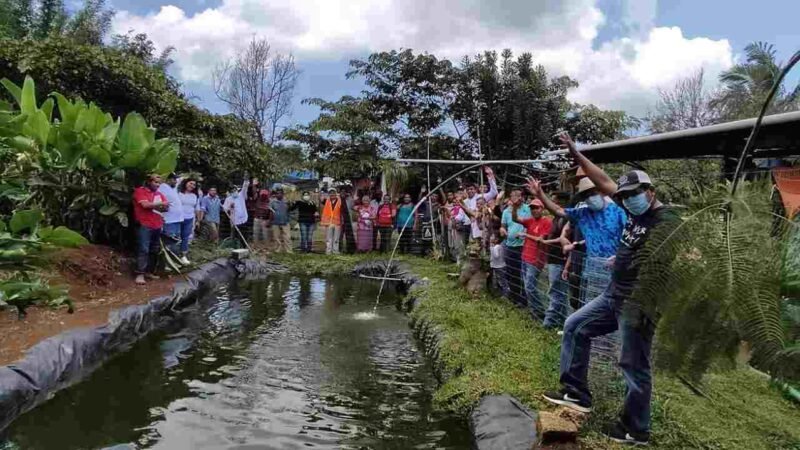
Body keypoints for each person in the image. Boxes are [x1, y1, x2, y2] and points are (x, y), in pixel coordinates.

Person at [540, 133, 678, 446]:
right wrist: (576, 153)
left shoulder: (666, 219)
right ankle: (575, 392)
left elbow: (668, 256)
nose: (628, 198)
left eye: (635, 194)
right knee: (575, 327)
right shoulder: (633, 211)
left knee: (633, 364)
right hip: (613, 295)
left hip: (638, 304)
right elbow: (602, 180)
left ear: (651, 192)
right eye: (625, 194)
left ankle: (635, 429)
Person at [532, 175, 628, 306]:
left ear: (602, 191)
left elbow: (629, 239)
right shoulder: (583, 214)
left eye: (592, 193)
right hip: (593, 271)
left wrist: (620, 257)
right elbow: (558, 210)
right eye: (586, 195)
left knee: (615, 309)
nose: (590, 198)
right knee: (593, 308)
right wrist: (540, 194)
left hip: (617, 272)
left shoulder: (618, 212)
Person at [512, 198, 552, 320]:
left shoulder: (547, 222)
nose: (534, 210)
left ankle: (539, 312)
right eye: (532, 208)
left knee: (530, 286)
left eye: (536, 207)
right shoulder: (530, 221)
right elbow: (515, 219)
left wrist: (525, 235)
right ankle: (534, 310)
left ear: (542, 209)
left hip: (536, 259)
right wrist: (514, 207)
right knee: (527, 286)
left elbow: (541, 239)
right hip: (525, 256)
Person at [540, 192, 572, 329]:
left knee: (556, 291)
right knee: (559, 292)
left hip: (561, 260)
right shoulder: (556, 218)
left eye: (554, 201)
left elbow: (563, 239)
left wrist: (546, 241)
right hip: (553, 258)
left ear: (561, 203)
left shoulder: (567, 219)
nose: (551, 205)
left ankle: (549, 322)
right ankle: (564, 322)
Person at [133, 174, 169, 285]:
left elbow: (166, 207)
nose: (158, 185)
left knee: (154, 249)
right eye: (156, 182)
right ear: (149, 182)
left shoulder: (159, 194)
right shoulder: (140, 191)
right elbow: (145, 205)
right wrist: (160, 204)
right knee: (144, 249)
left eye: (159, 183)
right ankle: (140, 274)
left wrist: (162, 206)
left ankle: (149, 272)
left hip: (157, 225)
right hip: (144, 224)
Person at [500, 189, 531, 307]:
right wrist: (502, 229)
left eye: (517, 195)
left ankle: (525, 299)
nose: (515, 197)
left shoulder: (527, 209)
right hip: (510, 245)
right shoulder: (506, 211)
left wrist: (524, 232)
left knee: (523, 273)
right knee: (511, 272)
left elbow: (529, 224)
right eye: (513, 195)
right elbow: (503, 226)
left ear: (522, 197)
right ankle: (515, 297)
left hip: (523, 245)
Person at [158, 173, 184, 259]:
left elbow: (182, 179)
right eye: (174, 179)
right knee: (170, 242)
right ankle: (169, 262)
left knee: (176, 241)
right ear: (168, 179)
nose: (176, 181)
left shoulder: (172, 188)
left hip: (177, 220)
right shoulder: (162, 188)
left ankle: (176, 261)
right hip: (169, 220)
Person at [176, 178, 198, 265]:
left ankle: (183, 256)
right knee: (176, 237)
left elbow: (196, 208)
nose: (192, 186)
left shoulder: (195, 196)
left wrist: (197, 220)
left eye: (194, 185)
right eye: (190, 183)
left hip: (189, 218)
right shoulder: (178, 193)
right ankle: (174, 255)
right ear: (186, 183)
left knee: (185, 238)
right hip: (178, 218)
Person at [321, 189, 343, 255]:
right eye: (331, 193)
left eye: (333, 193)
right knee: (328, 238)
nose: (332, 194)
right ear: (329, 194)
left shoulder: (340, 201)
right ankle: (328, 251)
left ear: (336, 193)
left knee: (336, 238)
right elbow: (321, 199)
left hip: (337, 222)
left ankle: (335, 250)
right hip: (328, 222)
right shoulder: (327, 201)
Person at [269, 188, 292, 253]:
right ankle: (277, 249)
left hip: (285, 221)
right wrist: (270, 221)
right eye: (277, 193)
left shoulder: (286, 201)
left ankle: (289, 250)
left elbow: (290, 210)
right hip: (275, 222)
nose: (278, 195)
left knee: (287, 237)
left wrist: (290, 204)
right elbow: (270, 212)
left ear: (282, 194)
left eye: (279, 193)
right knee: (276, 237)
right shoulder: (272, 202)